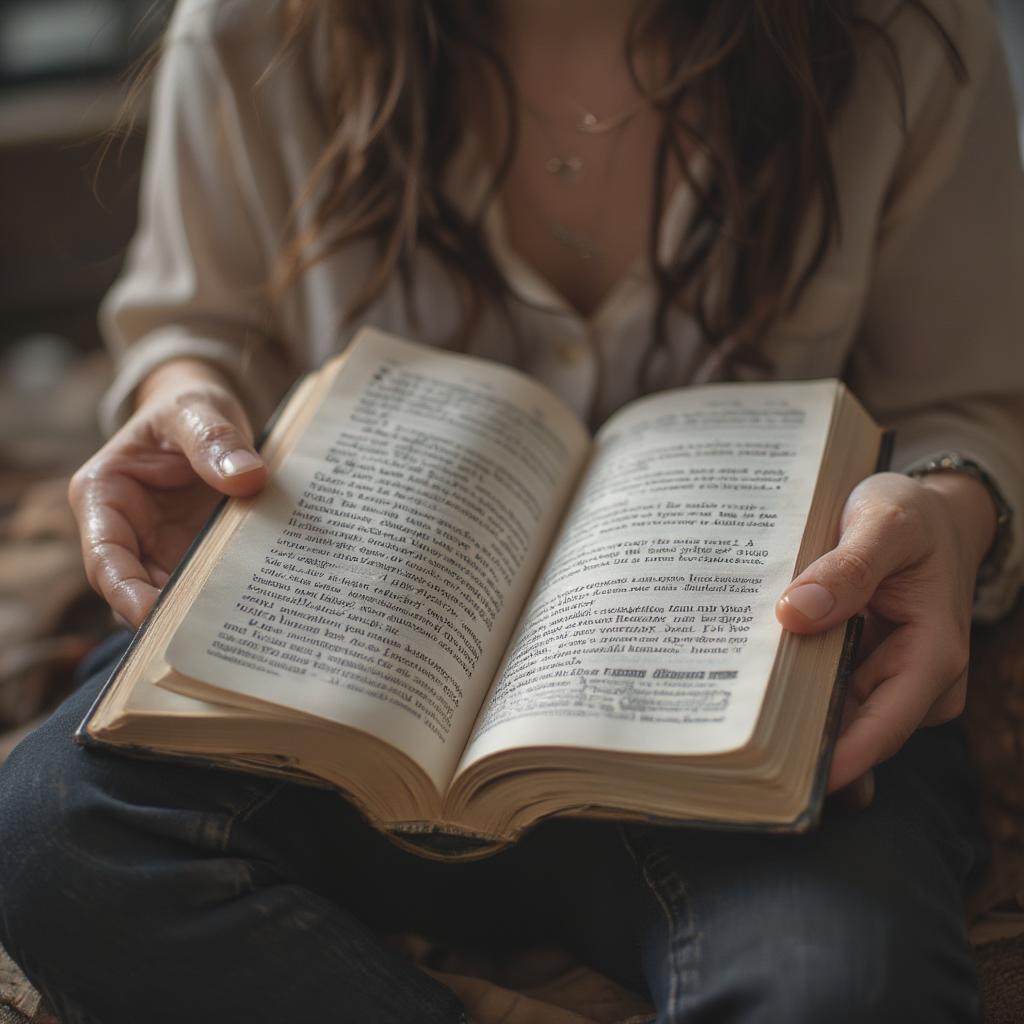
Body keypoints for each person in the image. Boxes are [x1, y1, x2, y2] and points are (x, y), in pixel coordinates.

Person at [1, 0, 1022, 1021]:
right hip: (329, 701)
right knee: (52, 835)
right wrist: (181, 403)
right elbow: (194, 322)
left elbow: (969, 399)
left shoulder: (903, 29)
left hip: (748, 720)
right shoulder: (253, 25)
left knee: (841, 988)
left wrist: (941, 506)